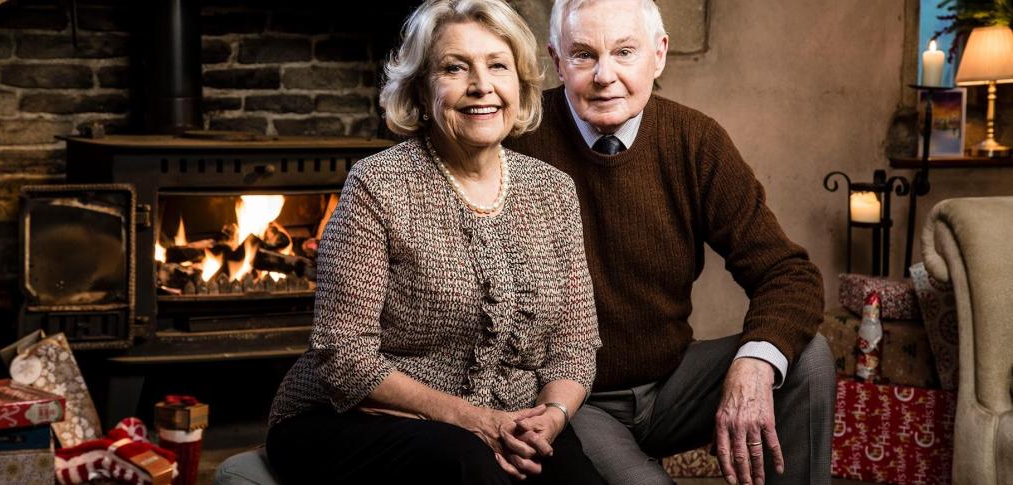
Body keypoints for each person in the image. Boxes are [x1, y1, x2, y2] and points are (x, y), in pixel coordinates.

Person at [266, 1, 605, 484]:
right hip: (349, 419)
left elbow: (575, 344)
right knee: (468, 465)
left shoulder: (553, 191)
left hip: (511, 419)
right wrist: (473, 420)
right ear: (422, 92)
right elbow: (342, 354)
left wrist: (551, 415)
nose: (481, 86)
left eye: (497, 66)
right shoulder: (379, 184)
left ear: (520, 87)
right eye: (454, 68)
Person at [505, 1, 836, 484]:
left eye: (624, 51)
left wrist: (754, 361)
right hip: (571, 399)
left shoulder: (694, 140)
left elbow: (787, 272)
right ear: (556, 60)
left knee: (805, 357)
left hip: (671, 385)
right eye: (583, 55)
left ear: (658, 55)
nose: (605, 75)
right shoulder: (517, 140)